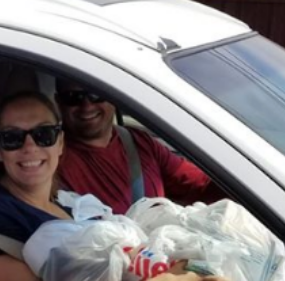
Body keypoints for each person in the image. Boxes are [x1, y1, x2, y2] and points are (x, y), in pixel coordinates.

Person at [0, 90, 239, 281]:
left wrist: (172, 269)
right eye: (12, 138)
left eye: (44, 135)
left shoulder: (70, 201)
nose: (30, 147)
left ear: (60, 143)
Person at [55, 79, 221, 214]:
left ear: (112, 96)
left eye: (96, 94)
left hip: (157, 249)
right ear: (59, 102)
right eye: (73, 97)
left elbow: (200, 185)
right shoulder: (49, 158)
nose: (87, 106)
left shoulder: (137, 141)